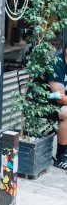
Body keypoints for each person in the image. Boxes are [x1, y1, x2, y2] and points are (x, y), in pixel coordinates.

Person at [47, 42, 67, 170]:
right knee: (65, 112)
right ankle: (61, 156)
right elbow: (59, 98)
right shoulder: (56, 63)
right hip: (45, 105)